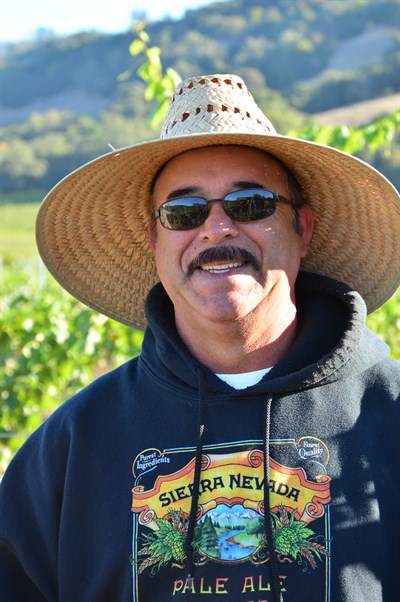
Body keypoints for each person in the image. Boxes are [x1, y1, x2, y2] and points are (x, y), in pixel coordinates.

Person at [0, 74, 399, 602]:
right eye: (184, 213)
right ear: (154, 240)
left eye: (250, 203)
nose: (216, 229)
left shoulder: (390, 412)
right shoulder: (73, 445)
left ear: (302, 228)